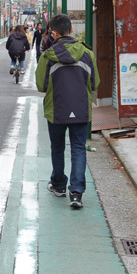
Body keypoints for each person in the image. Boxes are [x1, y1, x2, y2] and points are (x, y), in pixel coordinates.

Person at [36, 14, 100, 209]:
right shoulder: (87, 54)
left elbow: (41, 85)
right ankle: (76, 193)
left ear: (54, 34)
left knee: (57, 147)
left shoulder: (48, 56)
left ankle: (58, 185)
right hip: (80, 108)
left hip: (56, 109)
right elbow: (95, 83)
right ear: (71, 30)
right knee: (78, 148)